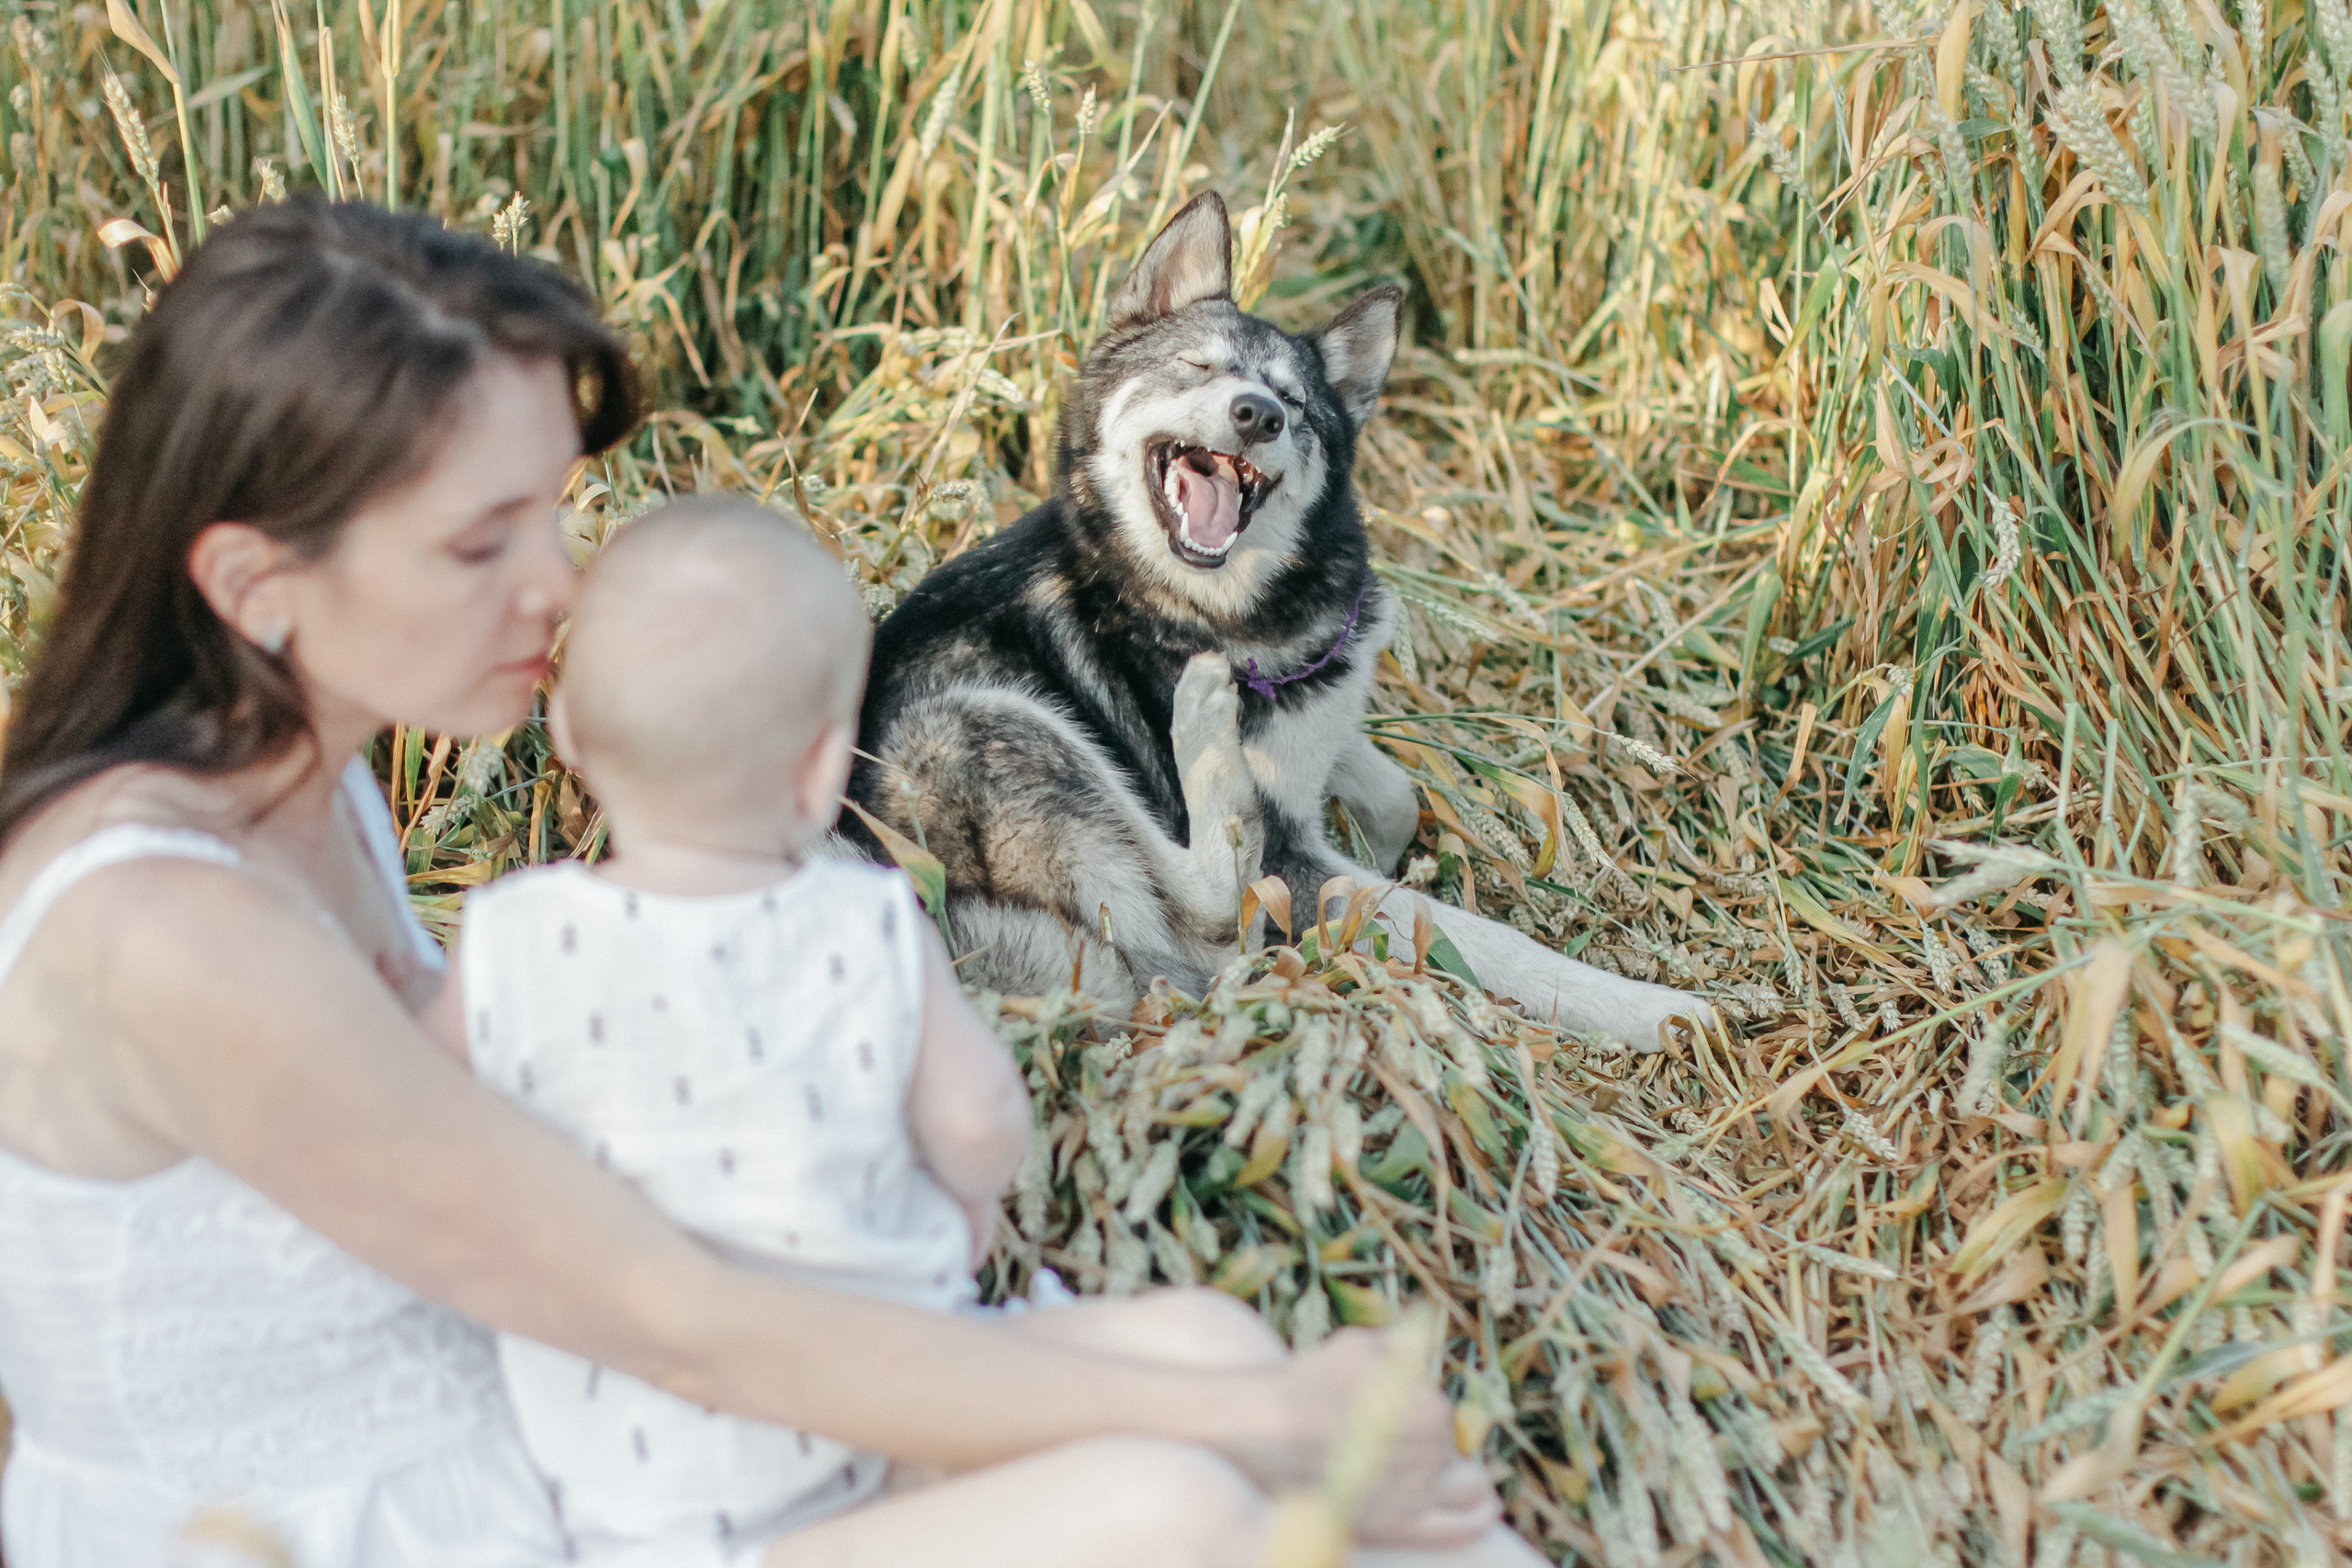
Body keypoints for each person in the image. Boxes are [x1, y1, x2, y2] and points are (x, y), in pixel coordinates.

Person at [0, 197, 1542, 1568]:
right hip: (427, 1517)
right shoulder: (163, 930)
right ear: (256, 584)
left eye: (551, 509)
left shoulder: (307, 767)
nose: (560, 584)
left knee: (1207, 1341)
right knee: (1191, 1494)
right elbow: (695, 1323)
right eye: (483, 544)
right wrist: (1276, 1422)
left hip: (608, 1438)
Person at [435, 498, 1042, 1558]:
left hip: (617, 1473)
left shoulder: (507, 941)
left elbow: (428, 1132)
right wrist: (970, 1204)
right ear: (823, 769)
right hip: (878, 1420)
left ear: (567, 730)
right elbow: (983, 1117)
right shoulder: (864, 923)